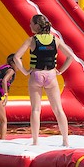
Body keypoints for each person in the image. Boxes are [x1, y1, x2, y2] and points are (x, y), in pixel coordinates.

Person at [13, 14, 75, 147]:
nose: (30, 26)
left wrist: (25, 71)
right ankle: (65, 141)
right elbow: (70, 56)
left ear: (37, 25)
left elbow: (16, 57)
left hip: (36, 74)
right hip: (51, 75)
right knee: (58, 109)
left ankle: (35, 141)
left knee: (36, 109)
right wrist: (61, 71)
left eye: (31, 23)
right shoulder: (55, 40)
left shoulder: (31, 40)